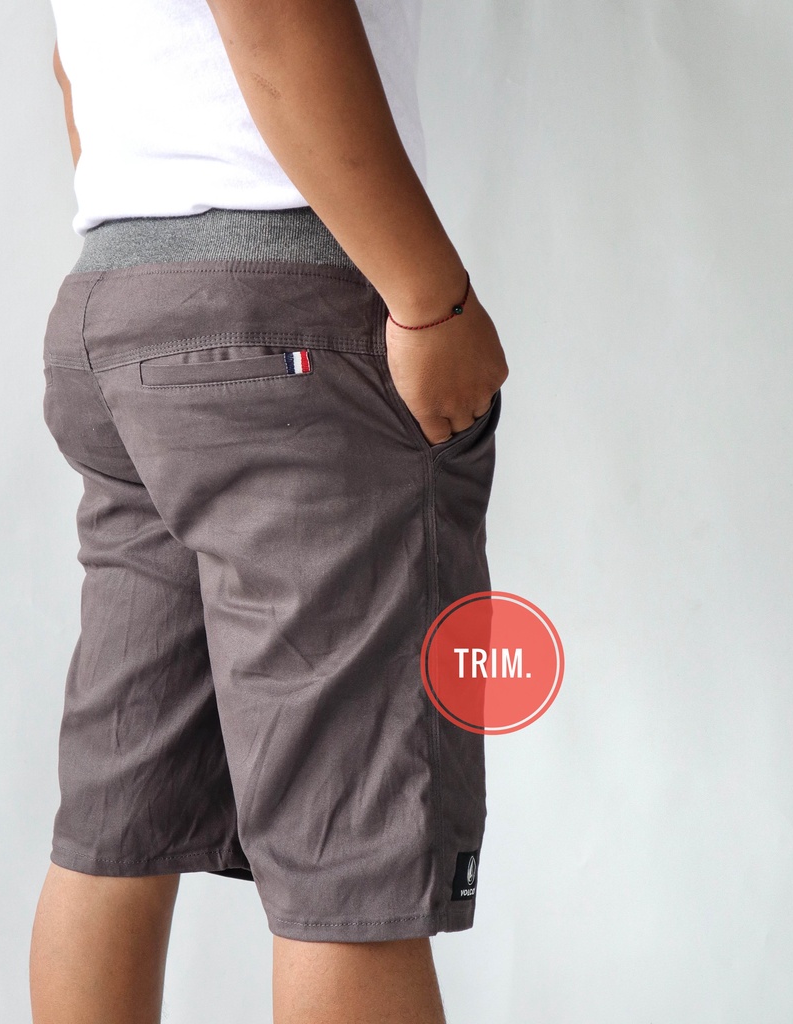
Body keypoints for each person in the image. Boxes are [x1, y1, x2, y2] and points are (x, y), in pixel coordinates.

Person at [29, 1, 509, 1021]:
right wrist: (432, 299)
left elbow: (76, 70)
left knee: (117, 820)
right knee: (352, 855)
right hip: (283, 321)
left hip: (116, 304)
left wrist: (163, 270)